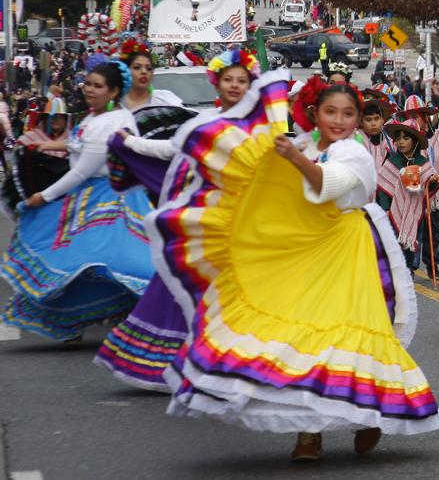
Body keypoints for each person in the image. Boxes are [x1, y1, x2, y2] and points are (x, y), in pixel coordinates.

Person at [147, 72, 439, 461]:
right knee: (302, 337)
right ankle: (309, 433)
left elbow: (333, 184)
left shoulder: (352, 151)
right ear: (314, 113)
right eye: (330, 112)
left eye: (348, 113)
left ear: (357, 119)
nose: (339, 120)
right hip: (302, 249)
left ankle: (367, 415)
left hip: (347, 250)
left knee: (343, 335)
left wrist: (294, 159)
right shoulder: (304, 144)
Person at [94, 50, 257, 391]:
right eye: (229, 79)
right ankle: (183, 362)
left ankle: (234, 364)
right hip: (206, 221)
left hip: (245, 224)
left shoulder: (260, 125)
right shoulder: (204, 121)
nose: (235, 86)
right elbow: (171, 150)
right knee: (184, 287)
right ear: (218, 81)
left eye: (242, 80)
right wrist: (131, 143)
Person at [1, 61, 154, 342]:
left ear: (113, 91)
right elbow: (79, 145)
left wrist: (43, 196)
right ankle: (77, 319)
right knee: (84, 263)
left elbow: (83, 169)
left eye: (97, 86)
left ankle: (133, 315)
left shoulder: (114, 121)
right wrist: (45, 145)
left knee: (99, 262)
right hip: (93, 196)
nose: (89, 90)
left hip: (110, 200)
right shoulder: (96, 118)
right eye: (88, 84)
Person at [395, 96, 439, 278]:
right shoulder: (405, 144)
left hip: (434, 194)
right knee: (412, 229)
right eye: (409, 116)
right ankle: (410, 265)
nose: (414, 119)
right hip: (412, 196)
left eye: (417, 115)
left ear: (425, 116)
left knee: (433, 232)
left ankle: (433, 265)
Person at [377, 119, 439, 272]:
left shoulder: (422, 162)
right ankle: (395, 275)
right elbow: (382, 186)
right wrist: (386, 208)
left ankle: (408, 273)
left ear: (415, 140)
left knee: (411, 245)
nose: (401, 142)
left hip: (414, 212)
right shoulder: (393, 161)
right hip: (393, 211)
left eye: (406, 138)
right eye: (398, 138)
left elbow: (429, 186)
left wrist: (431, 181)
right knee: (393, 247)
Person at [117, 39, 184, 112]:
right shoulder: (114, 105)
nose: (144, 72)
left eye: (148, 68)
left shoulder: (165, 100)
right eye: (137, 67)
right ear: (126, 70)